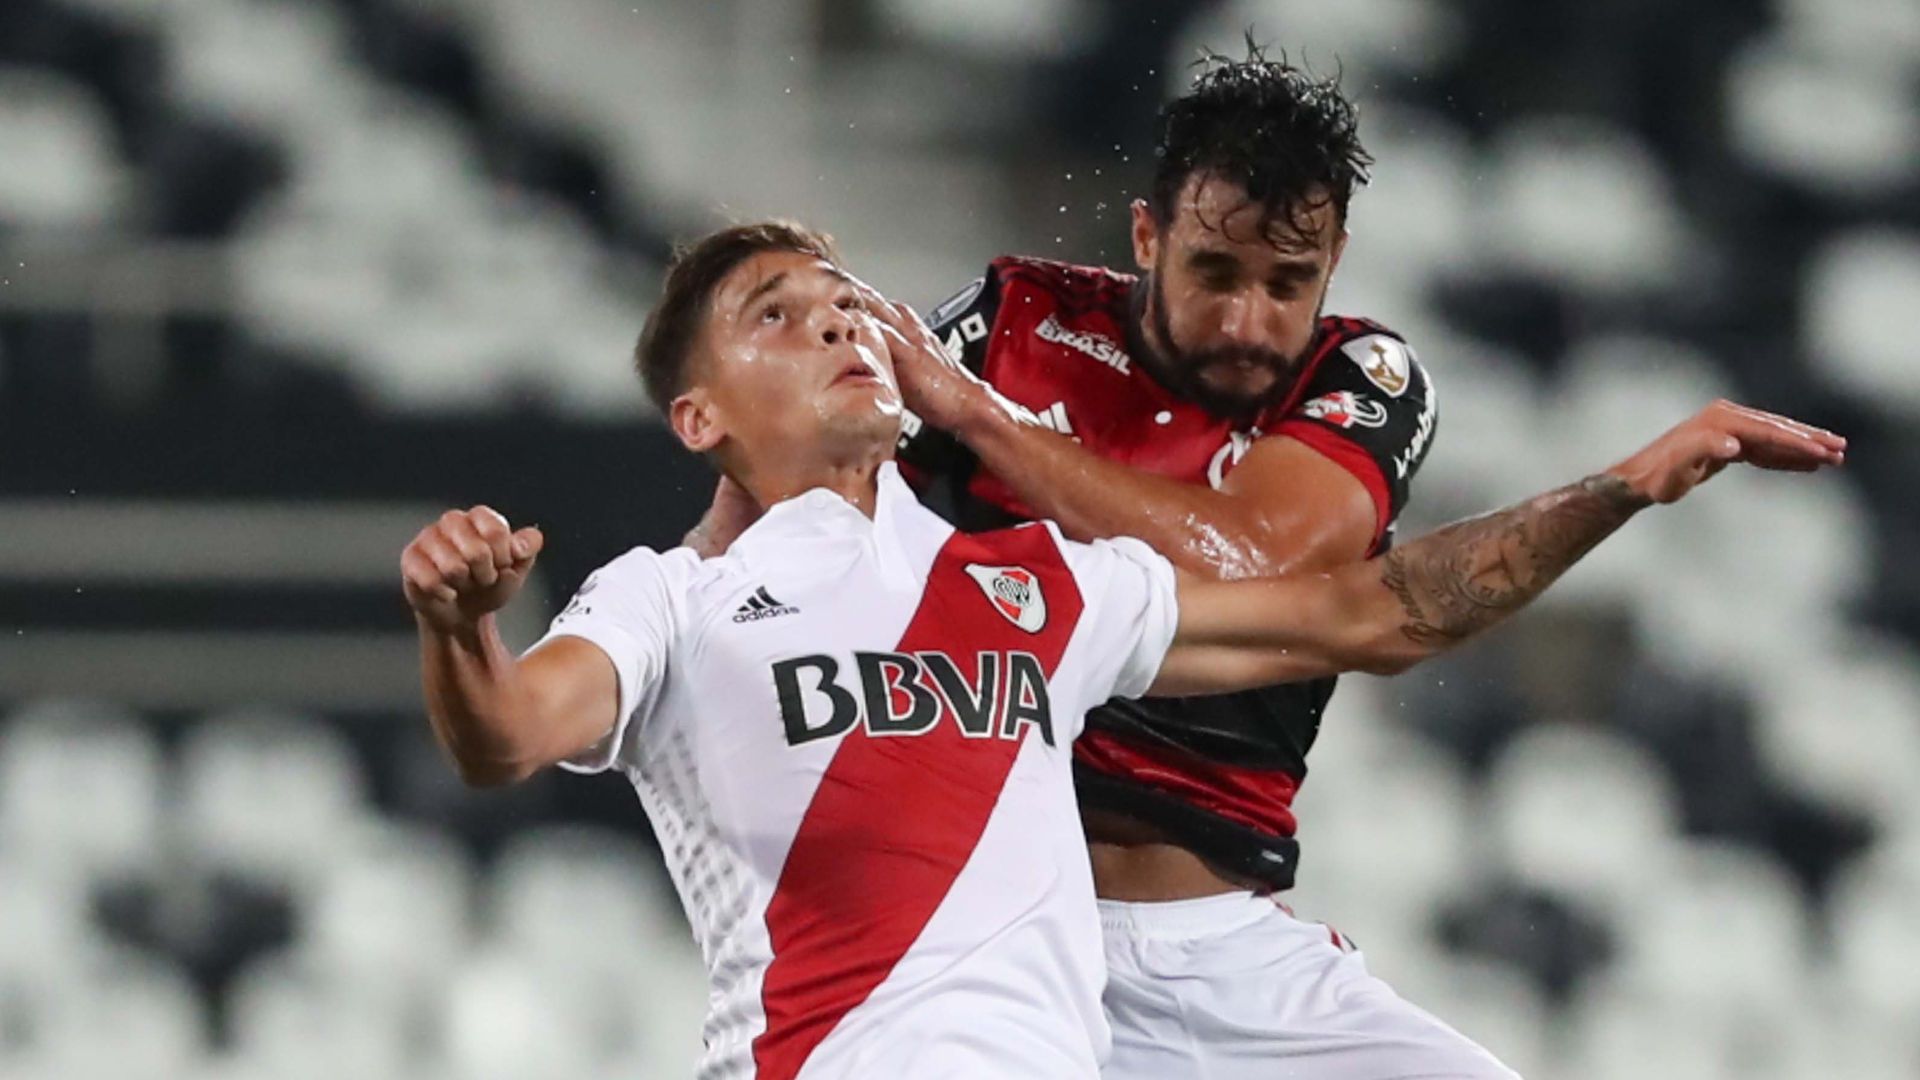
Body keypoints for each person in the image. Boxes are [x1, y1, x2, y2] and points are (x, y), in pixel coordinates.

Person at [400, 221, 1841, 1080]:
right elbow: (509, 736)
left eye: (844, 300)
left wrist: (1623, 485)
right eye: (775, 317)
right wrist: (461, 623)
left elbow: (1368, 614)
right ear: (699, 417)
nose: (833, 321)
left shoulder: (1038, 587)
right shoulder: (674, 598)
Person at [880, 50, 1490, 1077]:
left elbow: (1253, 557)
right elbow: (828, 523)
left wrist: (985, 424)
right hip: (980, 927)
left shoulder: (1363, 379)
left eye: (1288, 282)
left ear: (1333, 260)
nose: (1248, 319)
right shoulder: (1015, 321)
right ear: (1146, 236)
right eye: (1213, 271)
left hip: (1215, 956)